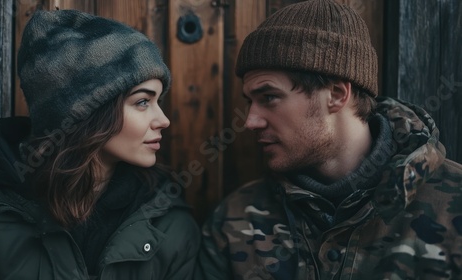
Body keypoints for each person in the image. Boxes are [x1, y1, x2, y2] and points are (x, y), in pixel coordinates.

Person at [196, 0, 462, 279]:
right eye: (250, 101)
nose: (250, 121)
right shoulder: (235, 220)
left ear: (336, 94)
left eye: (269, 97)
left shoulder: (453, 204)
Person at [0, 9, 200, 280]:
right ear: (85, 114)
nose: (164, 120)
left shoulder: (168, 223)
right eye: (143, 102)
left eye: (158, 101)